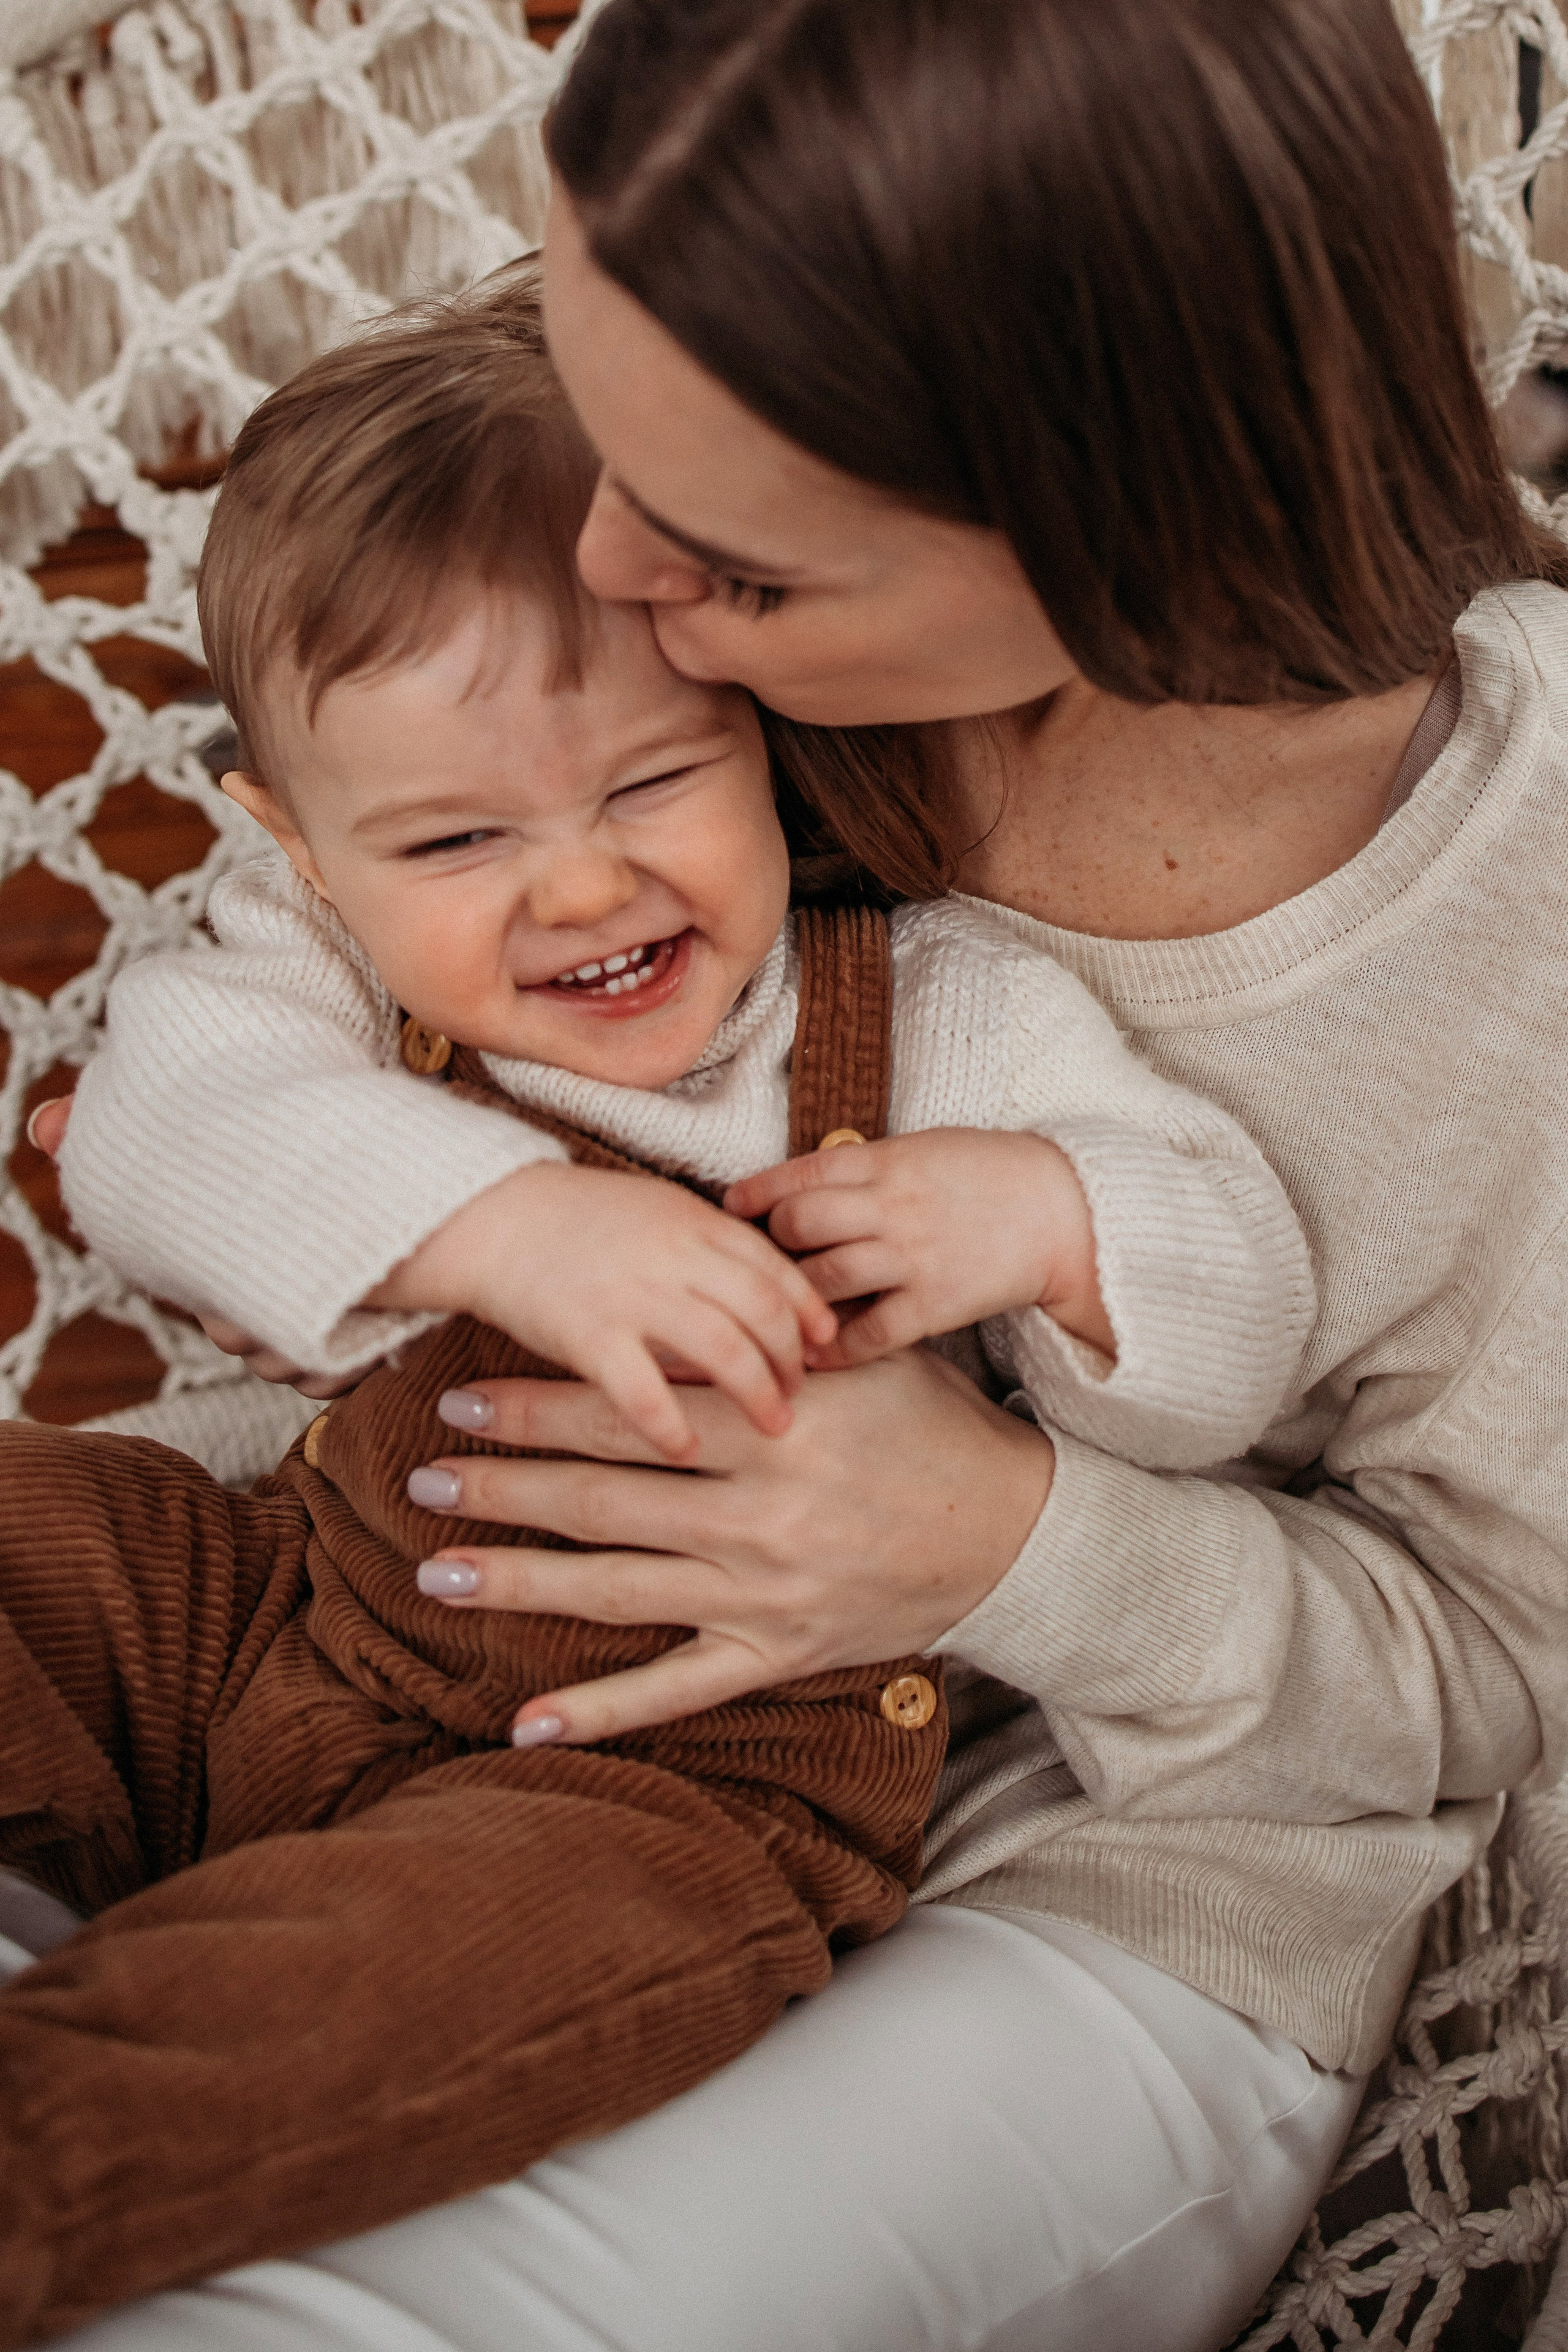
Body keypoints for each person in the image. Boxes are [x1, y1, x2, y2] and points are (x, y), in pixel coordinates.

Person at [17, 0, 1564, 2343]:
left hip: (1054, 1851)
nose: (607, 567)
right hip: (347, 1573)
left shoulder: (1499, 941)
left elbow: (1489, 1681)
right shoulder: (621, 575)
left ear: (1104, 508)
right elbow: (280, 941)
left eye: (730, 571)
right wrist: (369, 1186)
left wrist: (1002, 1543)